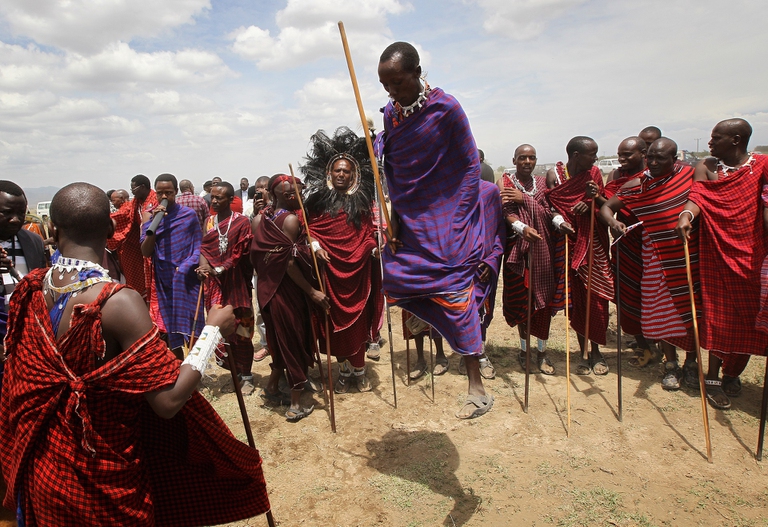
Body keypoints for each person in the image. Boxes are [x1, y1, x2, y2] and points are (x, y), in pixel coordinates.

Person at [0, 182, 270, 526]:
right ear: (112, 228)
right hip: (103, 484)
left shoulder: (32, 288)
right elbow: (168, 401)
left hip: (43, 473)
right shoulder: (115, 303)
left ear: (53, 229)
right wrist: (212, 330)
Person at [378, 41, 491, 419]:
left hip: (447, 217)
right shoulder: (391, 117)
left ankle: (476, 383)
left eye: (398, 82)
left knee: (459, 294)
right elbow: (396, 173)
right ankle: (432, 330)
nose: (392, 91)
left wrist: (459, 219)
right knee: (394, 278)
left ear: (417, 72)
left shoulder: (447, 109)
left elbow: (469, 168)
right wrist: (394, 216)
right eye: (385, 85)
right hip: (410, 218)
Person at [676, 118, 768, 409]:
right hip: (716, 251)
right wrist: (686, 216)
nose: (710, 142)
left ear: (737, 139)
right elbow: (698, 196)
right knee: (718, 316)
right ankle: (713, 378)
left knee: (749, 318)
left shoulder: (763, 166)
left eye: (716, 137)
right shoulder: (707, 166)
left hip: (752, 253)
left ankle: (733, 373)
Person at [601, 138, 699, 390]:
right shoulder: (639, 184)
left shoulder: (689, 177)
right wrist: (614, 223)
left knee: (691, 310)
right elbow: (607, 209)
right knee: (661, 309)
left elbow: (701, 201)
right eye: (650, 158)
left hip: (689, 254)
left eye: (660, 158)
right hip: (655, 256)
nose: (653, 163)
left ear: (674, 159)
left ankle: (692, 363)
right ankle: (670, 363)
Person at [301, 127, 385, 393]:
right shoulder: (315, 202)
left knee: (358, 323)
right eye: (336, 170)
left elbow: (369, 234)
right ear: (329, 172)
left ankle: (359, 371)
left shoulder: (360, 204)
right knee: (331, 324)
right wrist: (314, 246)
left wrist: (374, 249)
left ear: (354, 174)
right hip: (329, 274)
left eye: (345, 171)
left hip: (357, 273)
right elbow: (307, 228)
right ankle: (344, 370)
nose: (340, 174)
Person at [251, 174, 329, 421]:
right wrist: (313, 291)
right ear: (279, 195)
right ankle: (295, 404)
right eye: (293, 193)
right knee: (292, 340)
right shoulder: (291, 219)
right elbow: (289, 262)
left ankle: (273, 387)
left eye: (299, 192)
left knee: (277, 338)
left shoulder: (258, 219)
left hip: (265, 291)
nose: (299, 197)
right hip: (286, 290)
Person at [500, 145, 573, 375]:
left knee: (542, 305)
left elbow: (550, 210)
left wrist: (560, 222)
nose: (527, 161)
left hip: (543, 251)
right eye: (522, 157)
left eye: (531, 158)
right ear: (514, 159)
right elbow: (506, 213)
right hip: (519, 253)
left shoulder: (541, 184)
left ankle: (542, 353)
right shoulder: (506, 182)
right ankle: (524, 351)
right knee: (522, 304)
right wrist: (522, 228)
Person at [546, 136, 613, 375]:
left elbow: (606, 205)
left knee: (597, 298)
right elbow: (552, 207)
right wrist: (560, 221)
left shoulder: (594, 173)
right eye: (591, 153)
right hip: (569, 242)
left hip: (593, 242)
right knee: (577, 300)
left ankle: (597, 352)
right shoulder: (555, 175)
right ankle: (583, 351)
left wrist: (593, 198)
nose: (595, 158)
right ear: (576, 156)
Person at [197, 181, 256, 394]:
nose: (214, 201)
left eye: (219, 198)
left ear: (231, 199)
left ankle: (247, 376)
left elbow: (242, 252)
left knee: (243, 329)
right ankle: (236, 373)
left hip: (237, 284)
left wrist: (222, 268)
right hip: (215, 286)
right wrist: (203, 268)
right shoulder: (209, 222)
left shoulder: (241, 222)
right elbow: (204, 247)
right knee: (222, 329)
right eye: (212, 197)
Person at [603, 137, 657, 367]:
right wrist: (612, 223)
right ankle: (643, 344)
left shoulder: (655, 178)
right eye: (620, 155)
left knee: (655, 297)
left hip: (654, 245)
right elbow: (607, 204)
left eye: (627, 155)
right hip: (626, 244)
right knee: (628, 296)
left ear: (644, 153)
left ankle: (659, 344)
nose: (622, 159)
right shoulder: (617, 178)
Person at [140, 173, 204, 357]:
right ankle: (177, 368)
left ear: (176, 192)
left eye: (168, 192)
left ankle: (194, 369)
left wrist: (185, 267)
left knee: (191, 325)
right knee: (170, 327)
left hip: (186, 278)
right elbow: (145, 251)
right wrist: (154, 225)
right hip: (164, 281)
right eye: (160, 193)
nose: (164, 197)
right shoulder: (151, 219)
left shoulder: (188, 216)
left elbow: (197, 246)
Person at [108, 174, 158, 298]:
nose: (132, 192)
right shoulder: (136, 202)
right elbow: (124, 215)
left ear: (142, 187)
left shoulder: (154, 200)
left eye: (133, 189)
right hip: (143, 246)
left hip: (158, 245)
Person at [251, 175, 272, 362]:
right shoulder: (254, 213)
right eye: (258, 188)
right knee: (261, 310)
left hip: (279, 268)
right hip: (260, 270)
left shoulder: (278, 208)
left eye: (264, 188)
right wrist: (256, 213)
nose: (261, 191)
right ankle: (266, 344)